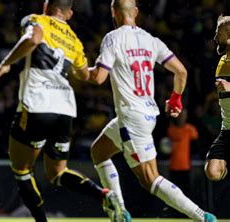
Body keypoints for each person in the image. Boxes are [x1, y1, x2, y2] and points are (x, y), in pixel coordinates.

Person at [0, 1, 125, 221]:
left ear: (46, 6)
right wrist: (108, 62)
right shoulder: (74, 40)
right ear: (69, 14)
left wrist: (5, 64)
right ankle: (102, 194)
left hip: (37, 103)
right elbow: (88, 76)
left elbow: (32, 39)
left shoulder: (37, 20)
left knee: (22, 169)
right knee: (57, 172)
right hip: (65, 109)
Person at [88, 0, 217, 221]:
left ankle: (202, 216)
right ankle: (119, 211)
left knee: (150, 178)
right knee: (99, 151)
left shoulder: (113, 38)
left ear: (113, 13)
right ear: (136, 12)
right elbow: (181, 72)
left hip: (131, 118)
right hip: (144, 114)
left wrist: (79, 69)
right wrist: (175, 99)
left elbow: (99, 77)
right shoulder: (151, 40)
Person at [205, 12, 230, 182]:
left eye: (218, 33)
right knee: (212, 171)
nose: (214, 38)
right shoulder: (222, 61)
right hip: (227, 129)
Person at [167, 109, 198, 195]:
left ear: (186, 117)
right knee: (173, 193)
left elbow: (196, 144)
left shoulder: (190, 129)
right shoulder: (171, 130)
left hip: (186, 167)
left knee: (186, 193)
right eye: (180, 115)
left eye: (183, 115)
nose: (181, 118)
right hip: (173, 167)